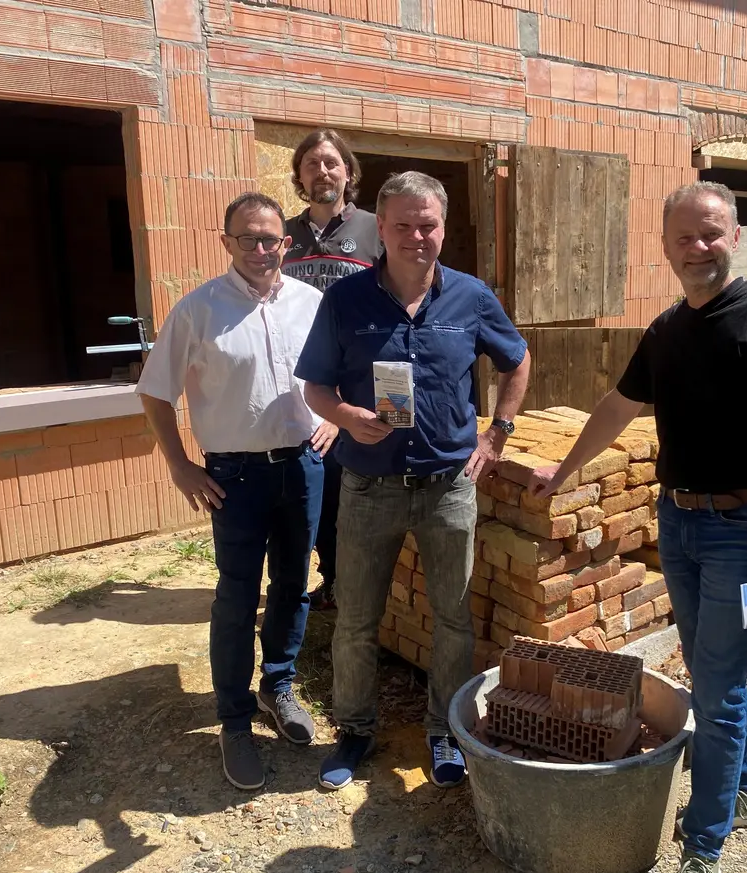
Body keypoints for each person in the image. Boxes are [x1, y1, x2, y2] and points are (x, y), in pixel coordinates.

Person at [524, 182, 747, 873]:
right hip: (679, 523)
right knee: (714, 674)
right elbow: (617, 409)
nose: (699, 248)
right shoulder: (664, 332)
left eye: (713, 233)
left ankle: (704, 847)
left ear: (736, 237)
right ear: (665, 246)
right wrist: (561, 470)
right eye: (685, 237)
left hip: (746, 533)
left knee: (713, 690)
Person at [295, 171, 532, 792]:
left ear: (443, 227)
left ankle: (444, 731)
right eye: (402, 224)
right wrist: (345, 416)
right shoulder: (345, 301)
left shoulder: (471, 297)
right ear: (382, 228)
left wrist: (497, 432)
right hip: (369, 485)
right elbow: (315, 385)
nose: (416, 236)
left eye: (427, 224)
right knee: (355, 618)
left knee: (453, 618)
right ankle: (355, 729)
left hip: (447, 485)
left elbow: (518, 359)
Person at [136, 192, 338, 792]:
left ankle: (278, 685)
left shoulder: (311, 303)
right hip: (235, 478)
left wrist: (331, 419)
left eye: (269, 238)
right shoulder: (198, 310)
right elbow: (154, 391)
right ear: (226, 241)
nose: (259, 248)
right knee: (235, 595)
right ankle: (234, 721)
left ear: (286, 244)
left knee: (294, 585)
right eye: (246, 237)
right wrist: (179, 465)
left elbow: (339, 372)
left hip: (304, 466)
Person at [281, 129, 382, 613]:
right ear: (299, 176)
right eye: (311, 165)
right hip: (296, 386)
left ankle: (353, 583)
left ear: (348, 171)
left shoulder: (376, 229)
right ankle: (331, 578)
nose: (322, 172)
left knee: (350, 491)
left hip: (350, 387)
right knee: (312, 495)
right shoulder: (284, 237)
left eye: (331, 163)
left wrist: (338, 398)